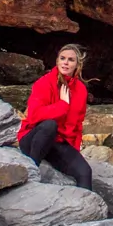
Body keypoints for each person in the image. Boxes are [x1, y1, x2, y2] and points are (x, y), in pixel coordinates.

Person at [16, 43, 93, 190]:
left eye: (70, 60)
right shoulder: (44, 83)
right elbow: (33, 116)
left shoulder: (81, 90)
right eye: (62, 58)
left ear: (77, 65)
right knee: (50, 125)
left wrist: (73, 151)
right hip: (33, 139)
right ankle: (32, 173)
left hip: (57, 143)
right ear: (57, 61)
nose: (65, 62)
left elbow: (78, 124)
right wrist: (62, 105)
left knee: (85, 172)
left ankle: (87, 209)